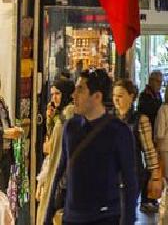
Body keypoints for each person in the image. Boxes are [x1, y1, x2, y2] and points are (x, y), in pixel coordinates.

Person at [44, 69, 138, 225]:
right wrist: (48, 217)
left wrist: (128, 220)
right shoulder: (70, 127)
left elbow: (130, 182)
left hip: (105, 217)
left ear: (97, 96)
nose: (73, 95)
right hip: (72, 217)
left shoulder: (118, 131)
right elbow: (59, 172)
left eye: (80, 90)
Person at [113, 79, 162, 214]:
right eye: (114, 96)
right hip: (111, 173)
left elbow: (149, 150)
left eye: (120, 96)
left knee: (124, 212)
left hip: (131, 174)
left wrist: (155, 175)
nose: (116, 100)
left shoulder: (140, 120)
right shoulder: (109, 118)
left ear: (131, 97)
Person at [35, 78, 75, 225]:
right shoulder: (61, 115)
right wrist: (50, 121)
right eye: (52, 94)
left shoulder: (68, 116)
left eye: (57, 94)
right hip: (58, 175)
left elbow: (55, 149)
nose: (54, 98)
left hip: (62, 178)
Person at [0, 78, 23, 192]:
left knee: (4, 191)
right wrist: (5, 133)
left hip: (6, 153)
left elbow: (5, 123)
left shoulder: (2, 102)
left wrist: (13, 130)